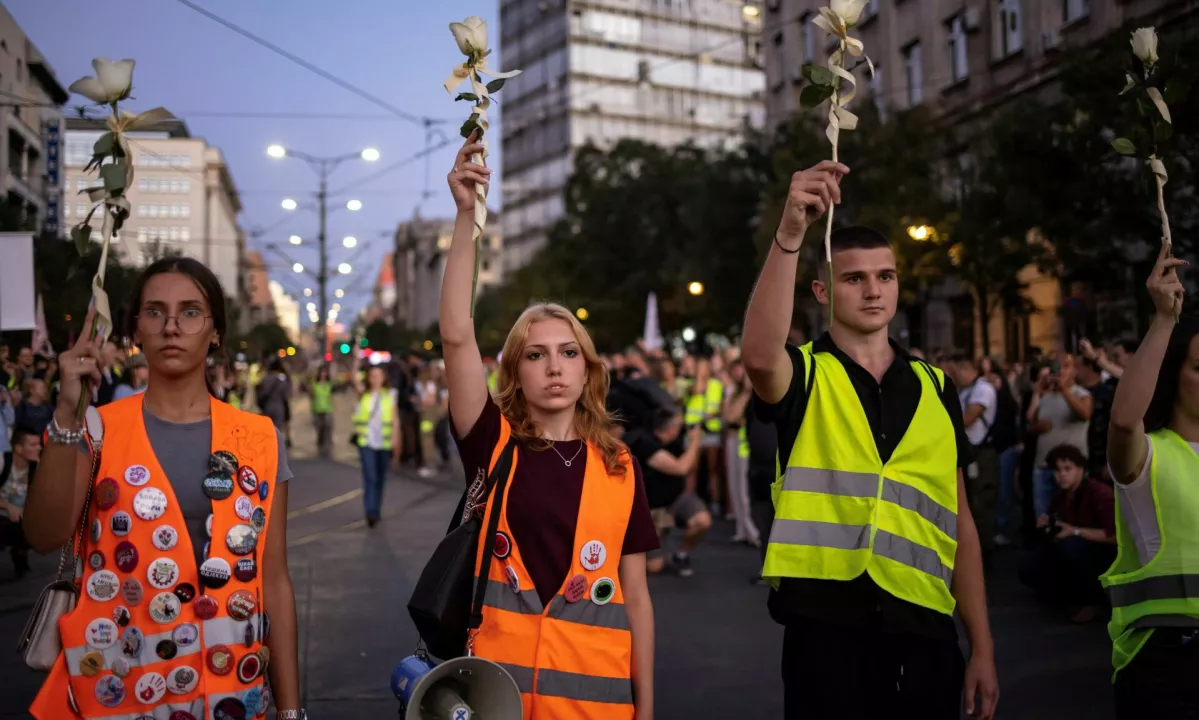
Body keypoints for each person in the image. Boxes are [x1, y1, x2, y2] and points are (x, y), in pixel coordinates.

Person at [741, 162, 999, 720]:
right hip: (826, 632)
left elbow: (961, 523)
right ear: (822, 291)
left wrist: (981, 645)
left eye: (885, 276)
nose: (874, 290)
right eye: (854, 279)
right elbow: (759, 358)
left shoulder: (936, 387)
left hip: (925, 630)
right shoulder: (805, 372)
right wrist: (790, 233)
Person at [23, 257, 304, 720]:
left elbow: (273, 580)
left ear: (215, 331)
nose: (172, 326)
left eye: (190, 312)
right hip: (118, 693)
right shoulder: (94, 429)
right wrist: (66, 415)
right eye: (155, 312)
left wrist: (291, 711)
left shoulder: (260, 438)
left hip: (230, 694)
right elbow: (41, 535)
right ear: (136, 330)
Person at [441, 134, 658, 719]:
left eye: (568, 353)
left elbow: (636, 599)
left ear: (588, 369)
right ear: (515, 371)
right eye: (536, 355)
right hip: (498, 700)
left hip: (598, 708)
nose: (554, 367)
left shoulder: (619, 466)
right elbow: (457, 335)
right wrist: (466, 217)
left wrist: (646, 707)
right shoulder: (493, 445)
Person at [1104, 245, 1199, 718]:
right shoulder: (1150, 453)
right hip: (1167, 662)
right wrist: (1163, 320)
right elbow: (1124, 421)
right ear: (1174, 376)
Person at [1018, 444, 1115, 623]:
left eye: (1067, 469)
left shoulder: (1099, 493)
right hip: (1077, 549)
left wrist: (1075, 531)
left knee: (1070, 548)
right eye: (1057, 470)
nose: (1061, 475)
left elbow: (1115, 536)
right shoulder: (1060, 496)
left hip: (1103, 552)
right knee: (1029, 565)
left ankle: (1092, 603)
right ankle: (1065, 597)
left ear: (1080, 469)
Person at [624, 407, 709, 576]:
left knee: (702, 520)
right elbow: (680, 468)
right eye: (679, 426)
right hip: (649, 509)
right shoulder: (645, 443)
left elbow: (691, 468)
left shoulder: (677, 441)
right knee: (654, 567)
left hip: (675, 499)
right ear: (670, 429)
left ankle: (681, 553)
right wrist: (695, 442)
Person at [1027, 354, 1093, 519]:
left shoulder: (1081, 394)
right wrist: (1037, 425)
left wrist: (1064, 390)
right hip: (1043, 466)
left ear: (1075, 371)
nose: (1060, 371)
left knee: (1071, 518)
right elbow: (1030, 424)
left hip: (1070, 470)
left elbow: (1085, 414)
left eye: (1066, 366)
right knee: (1043, 518)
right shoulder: (1046, 396)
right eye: (1056, 367)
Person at [950, 355, 999, 567]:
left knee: (981, 503)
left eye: (958, 371)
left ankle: (985, 554)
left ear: (968, 368)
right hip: (970, 451)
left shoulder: (982, 389)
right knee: (970, 501)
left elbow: (968, 418)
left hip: (982, 452)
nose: (956, 376)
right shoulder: (966, 390)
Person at [350, 363, 401, 527]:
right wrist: (356, 359)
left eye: (378, 375)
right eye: (372, 376)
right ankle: (370, 511)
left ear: (384, 378)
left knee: (380, 477)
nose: (375, 379)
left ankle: (376, 509)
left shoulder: (390, 395)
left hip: (384, 443)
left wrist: (396, 440)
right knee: (370, 476)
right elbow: (354, 378)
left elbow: (395, 419)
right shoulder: (363, 394)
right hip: (366, 442)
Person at [723, 362, 761, 546]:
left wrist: (747, 391)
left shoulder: (754, 393)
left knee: (744, 488)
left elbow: (733, 416)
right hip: (733, 440)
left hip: (746, 443)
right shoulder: (734, 392)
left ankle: (752, 530)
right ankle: (742, 528)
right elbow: (728, 416)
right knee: (734, 486)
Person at [0, 425, 40, 577]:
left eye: (39, 444)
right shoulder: (2, 461)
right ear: (18, 449)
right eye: (33, 445)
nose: (38, 448)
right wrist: (8, 506)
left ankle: (20, 558)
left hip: (19, 518)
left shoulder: (37, 468)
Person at [310, 365, 334, 459]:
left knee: (328, 427)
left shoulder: (329, 385)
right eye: (321, 372)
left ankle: (328, 444)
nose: (323, 374)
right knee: (319, 428)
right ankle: (320, 443)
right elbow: (311, 395)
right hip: (317, 410)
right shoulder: (315, 385)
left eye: (325, 372)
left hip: (327, 409)